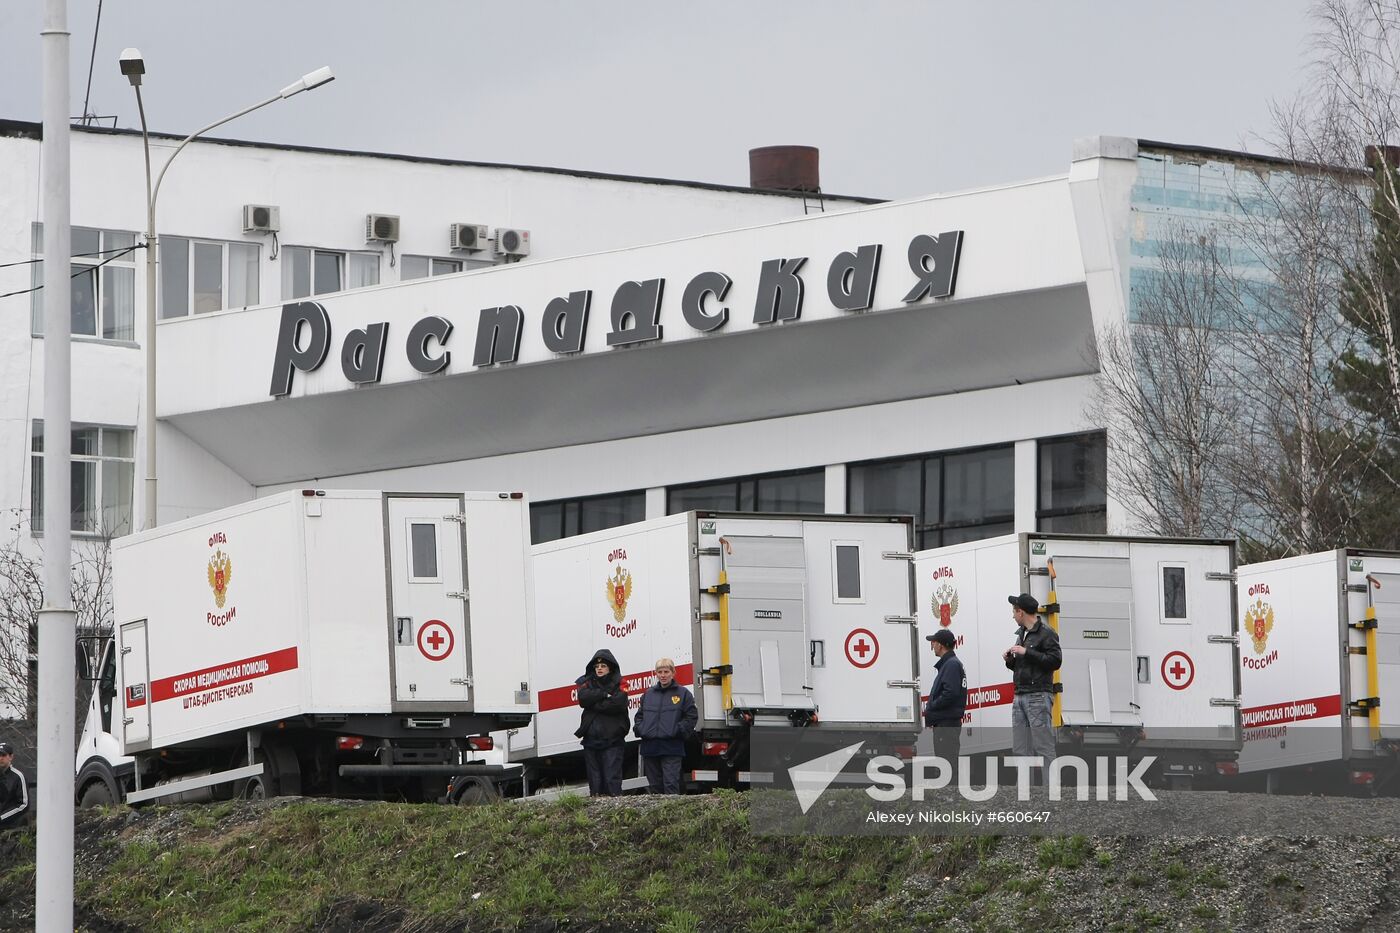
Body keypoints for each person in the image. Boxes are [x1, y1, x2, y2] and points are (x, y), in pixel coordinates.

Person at [1004, 593, 1063, 785]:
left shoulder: (1047, 633)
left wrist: (1027, 652)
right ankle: (1025, 792)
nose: (1013, 615)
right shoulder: (1021, 634)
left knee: (1043, 746)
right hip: (1019, 695)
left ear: (1021, 612)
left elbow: (1055, 661)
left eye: (1014, 611)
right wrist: (1010, 661)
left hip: (1038, 696)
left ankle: (1051, 791)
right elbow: (1025, 666)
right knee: (1020, 748)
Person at [633, 657, 698, 794]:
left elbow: (691, 717)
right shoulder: (649, 694)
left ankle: (673, 815)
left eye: (666, 672)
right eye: (660, 672)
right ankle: (659, 815)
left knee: (671, 784)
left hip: (672, 747)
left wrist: (677, 730)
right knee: (655, 786)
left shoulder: (683, 693)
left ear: (673, 673)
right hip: (650, 747)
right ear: (656, 674)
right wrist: (641, 729)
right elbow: (639, 716)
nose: (663, 675)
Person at [575, 649, 630, 797]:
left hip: (613, 740)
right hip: (591, 741)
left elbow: (618, 704)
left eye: (603, 666)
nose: (599, 669)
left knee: (612, 779)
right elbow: (583, 699)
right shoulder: (586, 682)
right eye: (597, 666)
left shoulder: (620, 682)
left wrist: (594, 705)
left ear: (610, 667)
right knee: (595, 782)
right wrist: (603, 695)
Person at [923, 629, 966, 781]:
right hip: (945, 722)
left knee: (946, 763)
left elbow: (951, 693)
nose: (932, 645)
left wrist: (932, 706)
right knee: (945, 763)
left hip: (946, 723)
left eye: (933, 642)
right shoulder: (949, 664)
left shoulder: (951, 665)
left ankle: (951, 798)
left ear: (941, 645)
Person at [0, 742, 27, 832]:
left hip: (10, 830)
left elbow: (23, 805)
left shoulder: (18, 776)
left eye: (3, 755)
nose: (0, 758)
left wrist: (2, 818)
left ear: (11, 757)